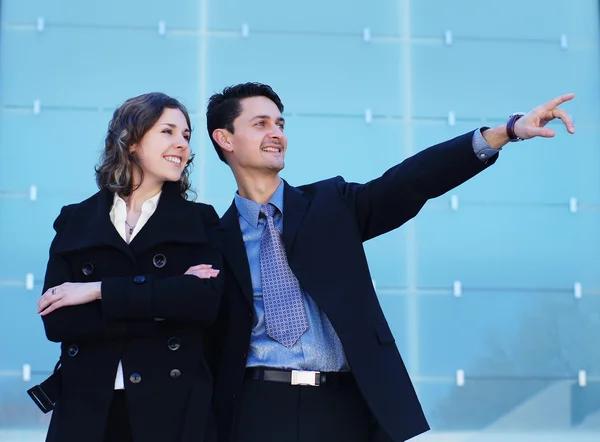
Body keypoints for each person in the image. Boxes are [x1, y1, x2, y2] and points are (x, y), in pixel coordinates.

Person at [204, 82, 575, 442]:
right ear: (225, 139)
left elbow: (412, 181)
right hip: (255, 409)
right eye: (261, 124)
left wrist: (505, 132)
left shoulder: (332, 204)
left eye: (280, 124)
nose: (277, 133)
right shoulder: (211, 242)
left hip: (343, 405)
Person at [35, 92, 223, 442]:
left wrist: (96, 290)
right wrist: (164, 297)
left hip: (173, 412)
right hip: (86, 410)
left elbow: (203, 303)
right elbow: (58, 319)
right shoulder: (75, 219)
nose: (181, 144)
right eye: (168, 131)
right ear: (132, 141)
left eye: (186, 135)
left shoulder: (200, 220)